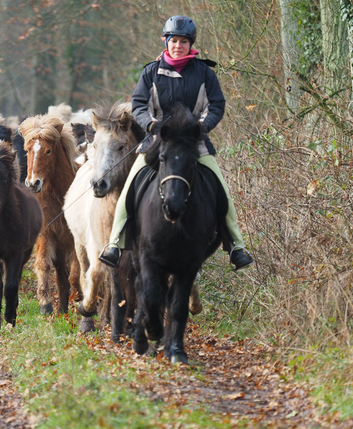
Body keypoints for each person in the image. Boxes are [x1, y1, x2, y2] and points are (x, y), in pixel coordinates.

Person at [98, 15, 254, 271]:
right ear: (165, 41)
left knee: (222, 191)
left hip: (195, 144)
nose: (178, 46)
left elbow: (217, 105)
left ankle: (236, 245)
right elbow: (138, 104)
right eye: (174, 41)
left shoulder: (205, 73)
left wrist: (201, 127)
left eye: (183, 41)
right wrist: (151, 125)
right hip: (157, 142)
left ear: (190, 44)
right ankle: (115, 244)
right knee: (129, 190)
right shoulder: (150, 72)